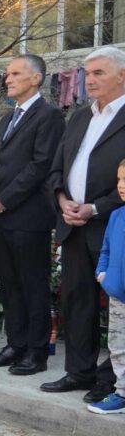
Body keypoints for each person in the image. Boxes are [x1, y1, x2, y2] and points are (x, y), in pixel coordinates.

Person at [44, 46, 125, 403]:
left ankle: (111, 379)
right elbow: (58, 166)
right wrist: (62, 198)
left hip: (111, 226)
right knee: (78, 301)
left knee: (118, 305)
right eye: (87, 73)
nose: (89, 80)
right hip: (72, 223)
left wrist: (95, 207)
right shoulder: (79, 116)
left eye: (99, 73)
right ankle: (79, 371)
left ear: (121, 75)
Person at [0, 54, 66, 375]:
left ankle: (36, 351)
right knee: (9, 283)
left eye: (16, 73)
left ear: (36, 79)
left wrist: (5, 199)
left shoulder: (49, 117)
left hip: (28, 217)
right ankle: (15, 344)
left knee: (32, 284)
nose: (8, 79)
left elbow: (39, 166)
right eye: (7, 73)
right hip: (0, 216)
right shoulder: (6, 118)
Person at [91, 160, 125, 413]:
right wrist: (102, 274)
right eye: (119, 180)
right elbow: (106, 249)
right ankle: (122, 394)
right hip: (117, 296)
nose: (121, 186)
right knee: (118, 345)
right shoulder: (116, 215)